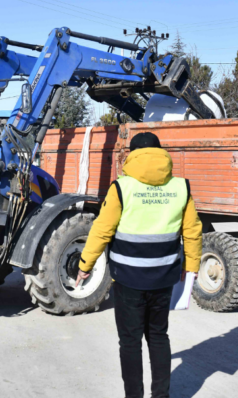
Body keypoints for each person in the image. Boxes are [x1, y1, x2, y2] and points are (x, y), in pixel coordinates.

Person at [76, 132, 203, 398]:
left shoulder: (122, 187)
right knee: (158, 336)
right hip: (164, 278)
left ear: (131, 155)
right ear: (161, 154)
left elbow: (102, 230)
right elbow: (192, 231)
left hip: (128, 280)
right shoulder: (181, 187)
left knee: (130, 342)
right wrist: (191, 267)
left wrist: (85, 264)